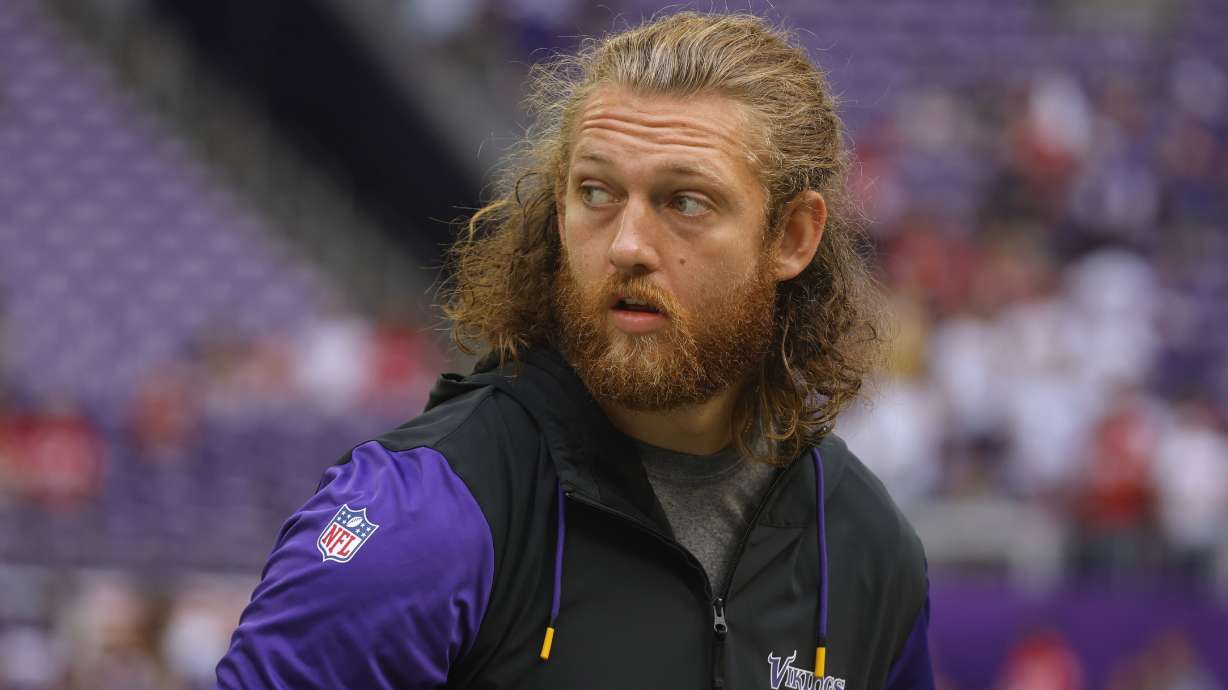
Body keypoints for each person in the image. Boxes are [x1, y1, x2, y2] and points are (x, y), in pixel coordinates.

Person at [216, 11, 933, 689]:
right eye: (595, 192)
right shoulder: (424, 516)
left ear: (792, 238)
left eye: (685, 202)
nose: (626, 245)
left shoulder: (867, 550)